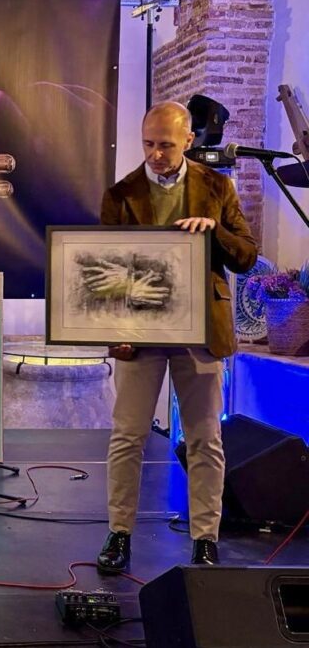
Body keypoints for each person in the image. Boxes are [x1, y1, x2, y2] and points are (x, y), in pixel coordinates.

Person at [95, 101, 257, 573]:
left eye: (165, 145)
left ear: (189, 140)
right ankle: (119, 534)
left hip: (200, 331)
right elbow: (105, 271)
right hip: (139, 332)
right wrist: (113, 332)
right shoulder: (120, 194)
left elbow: (246, 256)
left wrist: (215, 231)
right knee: (128, 436)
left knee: (205, 438)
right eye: (148, 144)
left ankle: (205, 538)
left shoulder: (218, 187)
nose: (155, 154)